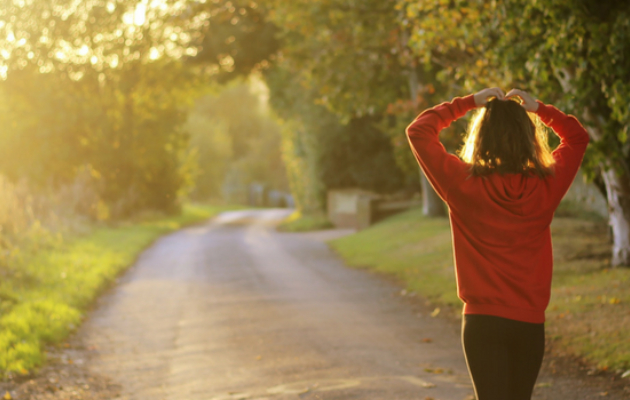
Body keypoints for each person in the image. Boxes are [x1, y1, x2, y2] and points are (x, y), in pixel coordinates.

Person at [406, 88, 590, 400]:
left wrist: (468, 103)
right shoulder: (546, 184)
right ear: (528, 137)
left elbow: (419, 131)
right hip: (529, 323)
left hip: (482, 322)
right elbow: (577, 138)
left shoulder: (461, 183)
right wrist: (540, 109)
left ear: (481, 137)